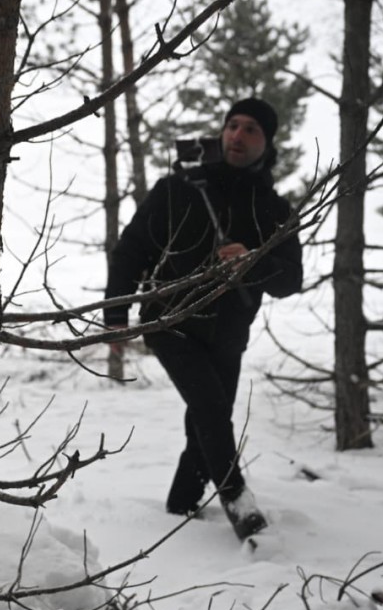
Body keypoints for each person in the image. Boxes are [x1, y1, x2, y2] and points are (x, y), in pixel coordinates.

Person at [104, 98, 302, 541]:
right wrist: (115, 313)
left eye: (251, 129)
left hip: (229, 333)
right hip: (169, 323)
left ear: (267, 144)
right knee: (212, 409)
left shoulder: (274, 209)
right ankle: (237, 498)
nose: (237, 134)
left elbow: (291, 279)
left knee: (207, 422)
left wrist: (254, 260)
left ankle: (180, 507)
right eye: (232, 125)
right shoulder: (178, 188)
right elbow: (131, 250)